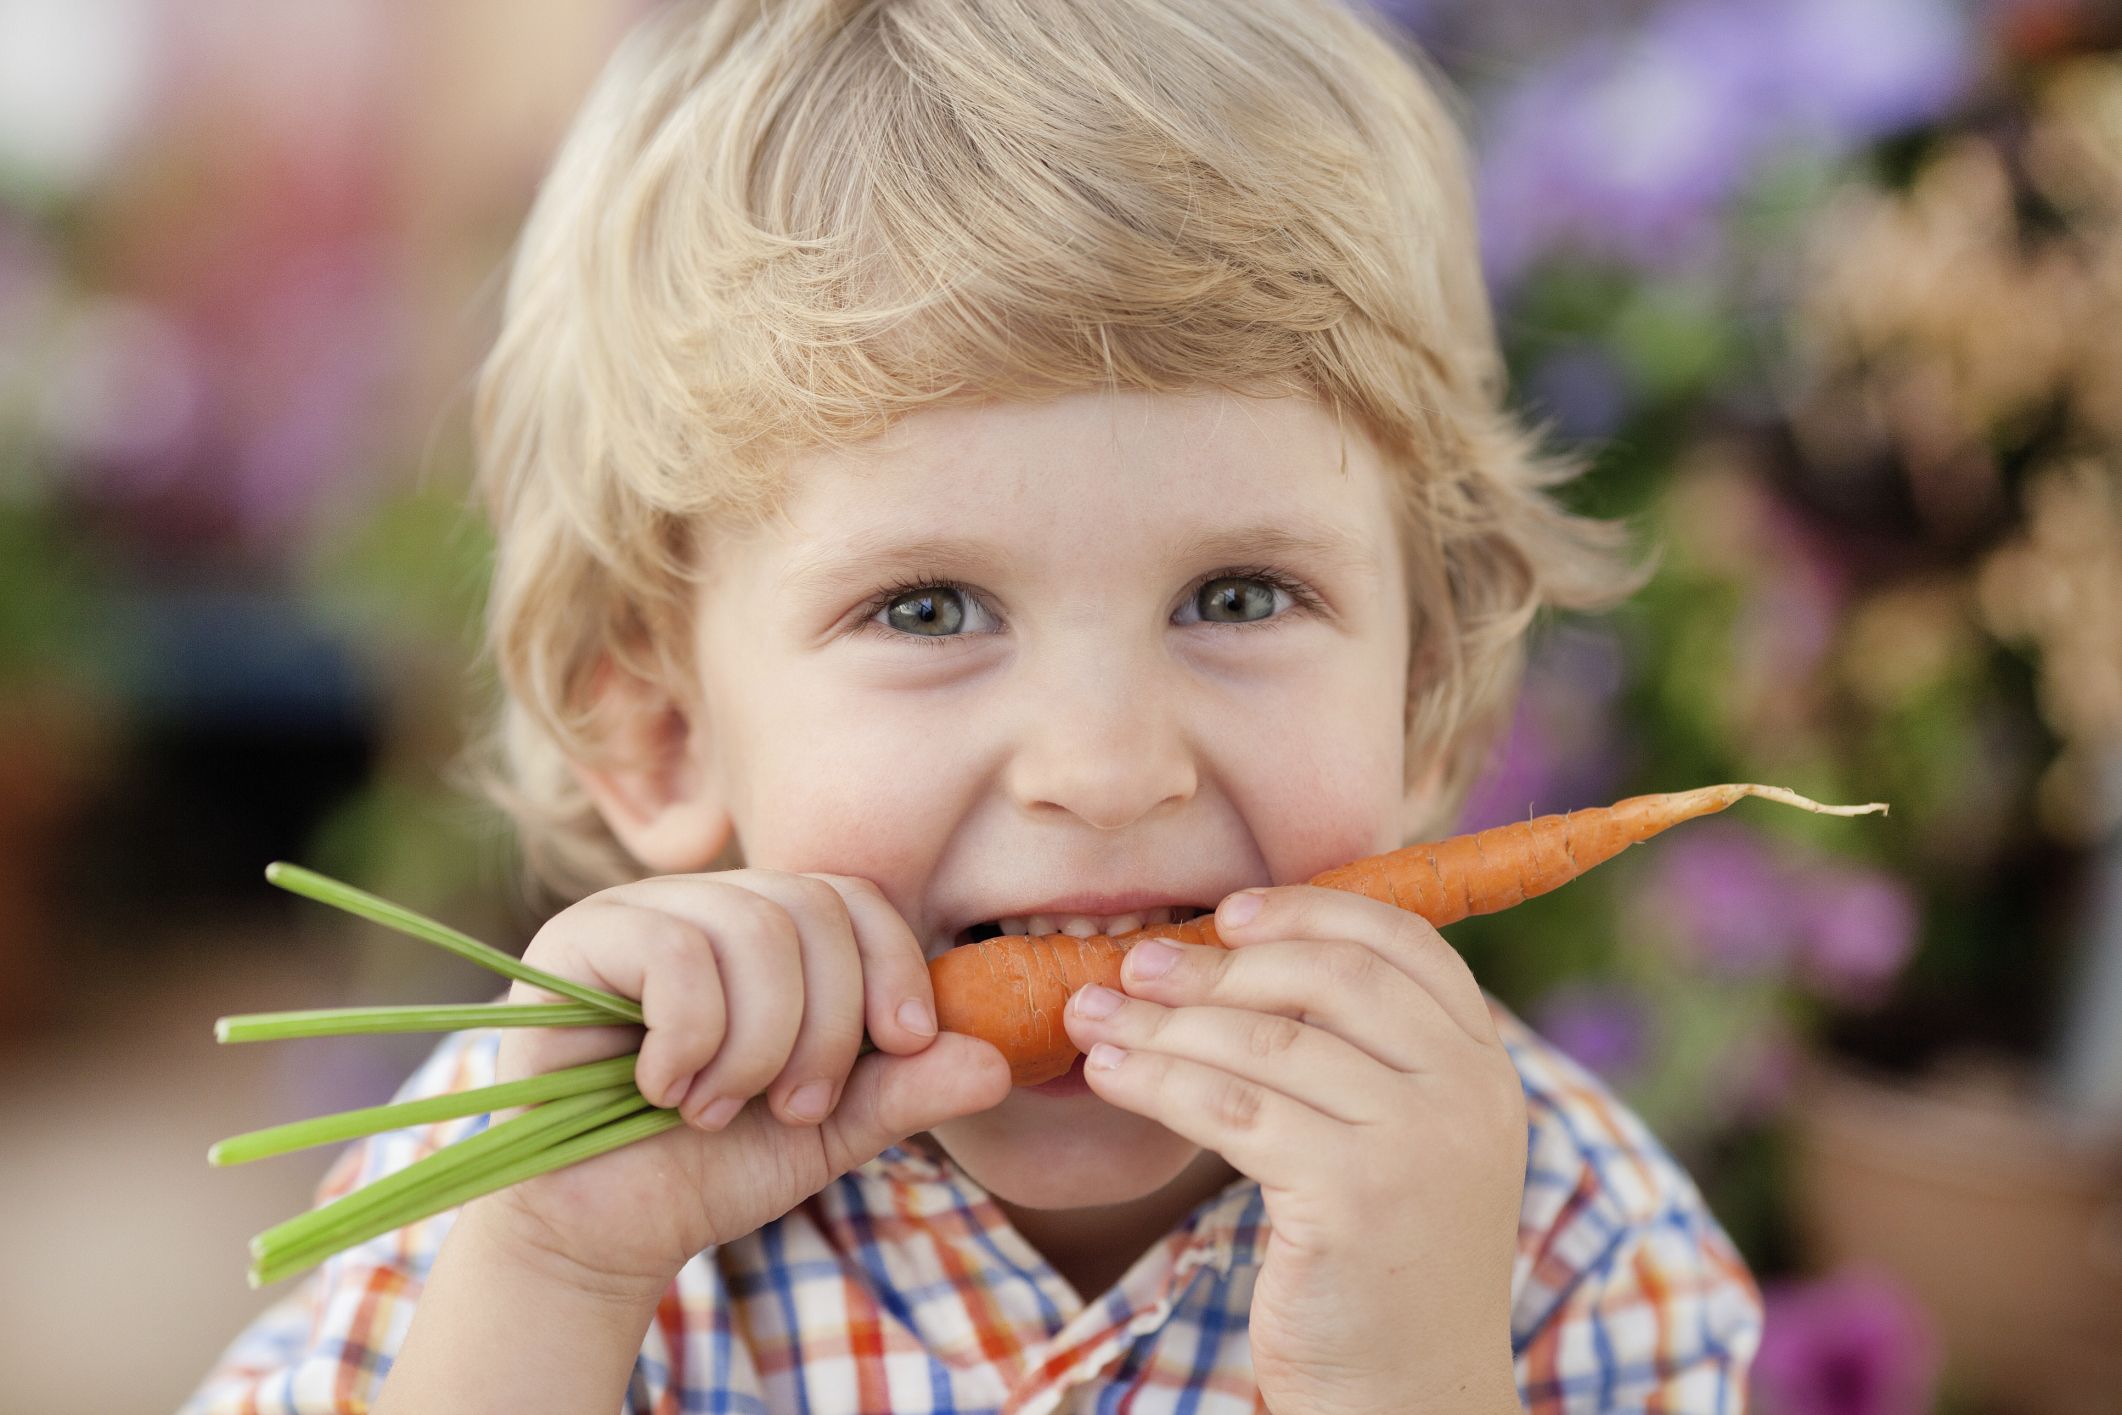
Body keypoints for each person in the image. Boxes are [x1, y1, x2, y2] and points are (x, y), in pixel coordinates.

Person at [183, 0, 1763, 1408]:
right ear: (660, 730)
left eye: (1236, 597)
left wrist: (1408, 1377)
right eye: (927, 610)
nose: (1104, 767)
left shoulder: (1555, 1226)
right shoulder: (538, 1166)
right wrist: (554, 1288)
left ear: (1426, 690)